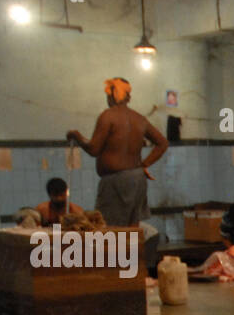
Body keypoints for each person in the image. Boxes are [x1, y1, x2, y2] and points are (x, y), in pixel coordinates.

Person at [67, 78, 167, 228]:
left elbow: (94, 149)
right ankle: (134, 252)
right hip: (138, 178)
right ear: (128, 97)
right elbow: (162, 143)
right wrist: (144, 164)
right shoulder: (139, 119)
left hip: (116, 181)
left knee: (109, 230)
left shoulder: (108, 116)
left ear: (110, 96)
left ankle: (117, 253)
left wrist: (77, 136)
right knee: (132, 228)